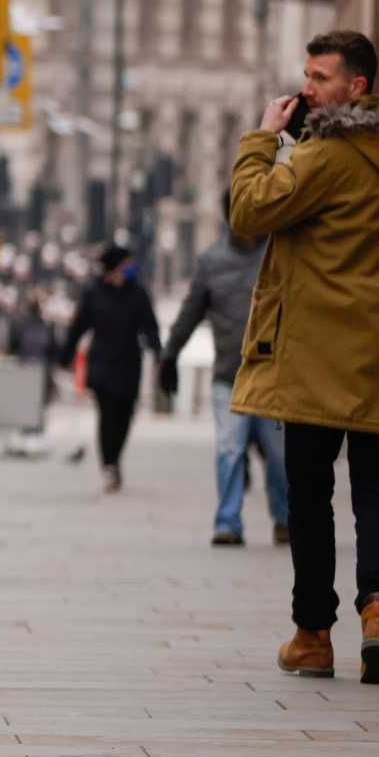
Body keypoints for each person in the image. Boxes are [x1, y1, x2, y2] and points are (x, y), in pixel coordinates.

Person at [231, 29, 379, 686]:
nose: (307, 89)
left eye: (321, 77)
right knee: (375, 488)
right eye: (306, 75)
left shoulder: (323, 156)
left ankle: (312, 636)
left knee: (310, 495)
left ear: (357, 86)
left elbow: (248, 212)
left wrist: (263, 140)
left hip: (314, 357)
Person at [161, 223, 288, 547]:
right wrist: (170, 354)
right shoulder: (213, 261)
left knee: (279, 455)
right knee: (229, 450)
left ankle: (285, 519)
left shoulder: (281, 253)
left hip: (273, 378)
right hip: (229, 376)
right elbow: (191, 311)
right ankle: (228, 522)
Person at [57, 244, 162, 491]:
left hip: (128, 363)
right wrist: (65, 355)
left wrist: (159, 353)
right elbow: (78, 326)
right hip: (102, 363)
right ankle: (109, 464)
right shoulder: (94, 292)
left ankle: (115, 458)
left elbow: (150, 326)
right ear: (114, 267)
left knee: (125, 415)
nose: (130, 269)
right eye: (126, 265)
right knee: (106, 415)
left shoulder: (137, 293)